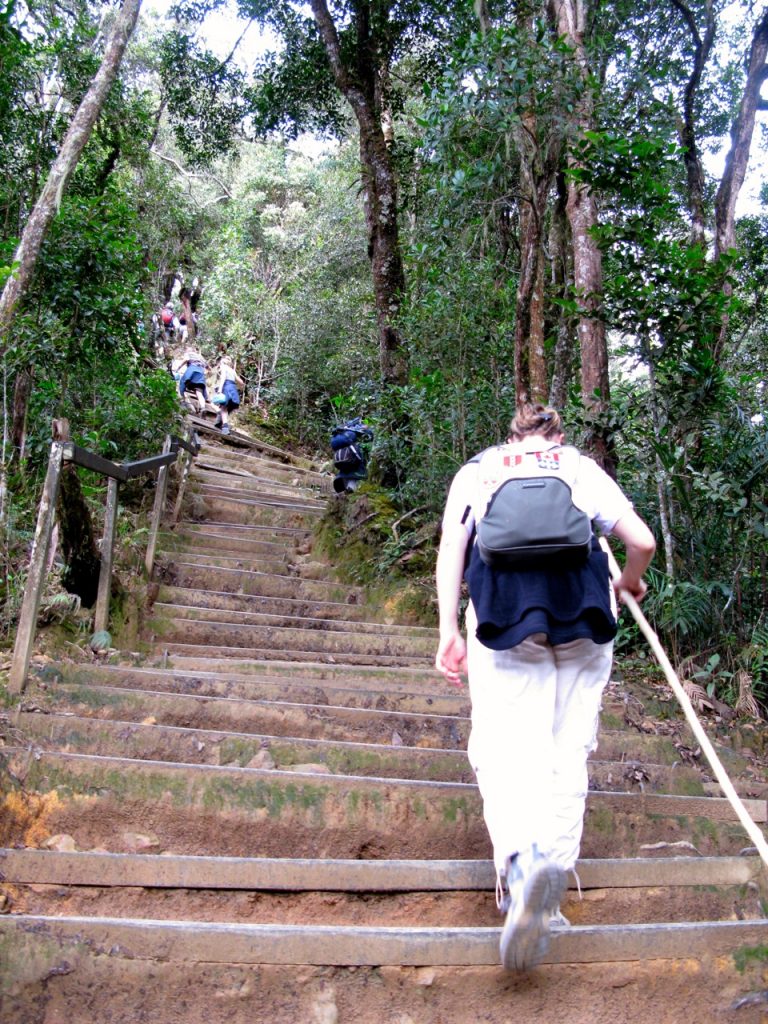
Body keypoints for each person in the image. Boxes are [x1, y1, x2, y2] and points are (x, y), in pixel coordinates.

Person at [434, 402, 656, 972]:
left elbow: (451, 554)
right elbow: (644, 542)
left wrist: (447, 631)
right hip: (585, 622)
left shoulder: (479, 469)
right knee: (567, 749)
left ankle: (521, 868)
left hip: (505, 623)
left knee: (505, 749)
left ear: (511, 434)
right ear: (557, 435)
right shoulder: (578, 467)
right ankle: (552, 886)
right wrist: (630, 580)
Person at [212, 355, 244, 435]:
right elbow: (241, 382)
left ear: (222, 362)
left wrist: (219, 389)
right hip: (233, 388)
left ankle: (225, 427)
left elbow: (223, 378)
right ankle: (220, 421)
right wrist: (240, 388)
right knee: (229, 407)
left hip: (226, 387)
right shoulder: (232, 371)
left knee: (223, 408)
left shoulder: (224, 368)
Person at [177, 348, 209, 414]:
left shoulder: (189, 354)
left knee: (183, 382)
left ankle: (182, 401)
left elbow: (186, 359)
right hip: (200, 373)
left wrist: (178, 367)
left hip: (192, 369)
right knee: (199, 392)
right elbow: (208, 368)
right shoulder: (200, 357)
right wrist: (205, 372)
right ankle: (203, 408)